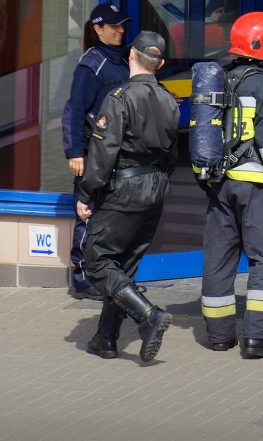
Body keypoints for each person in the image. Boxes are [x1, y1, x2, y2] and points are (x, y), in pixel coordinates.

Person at [77, 31, 181, 363]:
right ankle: (105, 339)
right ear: (161, 64)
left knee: (97, 261)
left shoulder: (119, 98)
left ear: (130, 55)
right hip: (154, 190)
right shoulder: (169, 99)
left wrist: (85, 193)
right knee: (123, 267)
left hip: (123, 188)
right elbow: (173, 155)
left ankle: (148, 316)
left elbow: (102, 154)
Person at [199, 12, 263, 359]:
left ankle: (219, 336)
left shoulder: (223, 80)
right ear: (260, 46)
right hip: (256, 187)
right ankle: (258, 339)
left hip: (221, 185)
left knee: (219, 260)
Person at [62, 3, 131, 300]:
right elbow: (74, 111)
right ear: (97, 29)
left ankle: (107, 277)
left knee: (110, 219)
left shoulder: (125, 58)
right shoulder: (91, 64)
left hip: (116, 154)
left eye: (122, 25)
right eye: (114, 26)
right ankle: (82, 279)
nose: (121, 30)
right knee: (88, 216)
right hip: (93, 155)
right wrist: (75, 152)